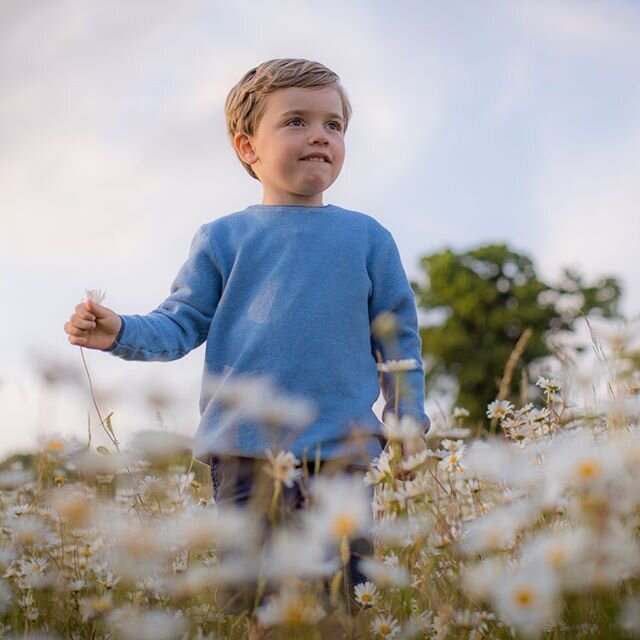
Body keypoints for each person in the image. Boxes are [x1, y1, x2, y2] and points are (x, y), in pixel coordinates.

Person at [64, 57, 429, 631]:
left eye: (334, 125)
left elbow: (399, 340)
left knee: (343, 604)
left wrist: (408, 423)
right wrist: (122, 332)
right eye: (296, 121)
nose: (319, 135)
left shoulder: (367, 237)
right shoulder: (223, 238)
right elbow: (181, 320)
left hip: (343, 452)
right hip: (246, 452)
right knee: (265, 608)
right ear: (247, 146)